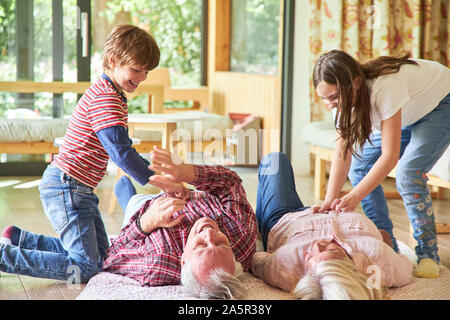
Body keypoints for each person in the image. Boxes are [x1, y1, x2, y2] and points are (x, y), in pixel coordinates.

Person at [0, 25, 160, 283]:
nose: (142, 77)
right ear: (113, 60)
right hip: (67, 188)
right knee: (85, 267)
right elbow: (121, 153)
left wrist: (153, 170)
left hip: (77, 189)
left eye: (146, 71)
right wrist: (156, 178)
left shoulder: (113, 93)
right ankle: (4, 256)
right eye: (136, 69)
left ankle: (19, 239)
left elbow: (123, 147)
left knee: (102, 258)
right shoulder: (106, 98)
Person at [312, 50, 449, 278]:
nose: (330, 106)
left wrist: (354, 196)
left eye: (334, 97)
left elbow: (390, 156)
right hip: (408, 112)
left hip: (441, 104)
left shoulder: (385, 87)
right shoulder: (342, 106)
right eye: (324, 99)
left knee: (408, 174)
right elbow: (342, 154)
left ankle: (428, 254)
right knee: (360, 167)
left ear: (355, 83)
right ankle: (387, 244)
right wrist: (329, 199)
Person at [251, 152, 413, 300]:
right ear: (352, 267)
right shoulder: (378, 261)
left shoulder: (285, 266)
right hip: (335, 210)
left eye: (309, 258)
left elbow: (257, 259)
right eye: (332, 250)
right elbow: (405, 265)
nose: (318, 245)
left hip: (286, 219)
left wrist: (271, 252)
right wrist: (385, 243)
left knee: (275, 160)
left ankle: (261, 221)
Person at [102, 146, 258, 299]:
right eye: (220, 244)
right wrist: (189, 173)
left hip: (150, 207)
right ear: (233, 254)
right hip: (195, 195)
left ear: (183, 260)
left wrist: (146, 221)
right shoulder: (241, 236)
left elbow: (111, 257)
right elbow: (230, 183)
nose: (209, 233)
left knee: (133, 203)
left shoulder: (158, 259)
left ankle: (129, 199)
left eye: (200, 245)